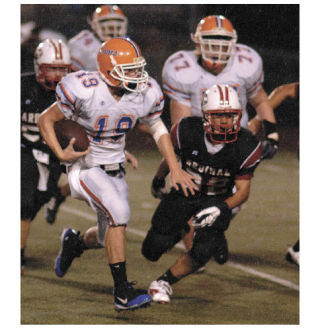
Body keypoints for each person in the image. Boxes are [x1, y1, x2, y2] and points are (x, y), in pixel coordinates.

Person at [37, 37, 198, 311]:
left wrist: (174, 167)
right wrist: (61, 154)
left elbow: (159, 129)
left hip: (115, 167)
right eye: (130, 69)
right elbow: (45, 119)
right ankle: (122, 293)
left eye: (138, 68)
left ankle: (74, 243)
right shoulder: (84, 88)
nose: (137, 75)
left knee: (105, 236)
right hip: (84, 168)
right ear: (108, 69)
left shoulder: (144, 92)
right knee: (119, 213)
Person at [161, 15, 280, 258]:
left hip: (236, 142)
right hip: (202, 140)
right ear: (197, 41)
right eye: (211, 41)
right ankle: (195, 246)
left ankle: (210, 231)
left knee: (237, 196)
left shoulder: (246, 63)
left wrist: (273, 133)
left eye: (222, 42)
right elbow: (181, 123)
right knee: (195, 192)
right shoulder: (182, 69)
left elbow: (259, 98)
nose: (216, 49)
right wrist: (187, 148)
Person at [141, 84, 262, 303]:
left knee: (204, 250)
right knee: (151, 250)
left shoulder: (246, 144)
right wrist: (159, 179)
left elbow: (243, 191)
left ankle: (163, 282)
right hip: (184, 193)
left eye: (230, 115)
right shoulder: (186, 129)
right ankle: (182, 229)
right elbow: (170, 159)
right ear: (206, 116)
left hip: (217, 199)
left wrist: (221, 208)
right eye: (219, 116)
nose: (225, 121)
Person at [21, 39, 72, 275]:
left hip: (50, 155)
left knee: (39, 199)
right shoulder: (21, 86)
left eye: (62, 69)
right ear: (40, 67)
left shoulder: (72, 92)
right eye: (52, 68)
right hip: (20, 149)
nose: (58, 74)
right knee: (23, 204)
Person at [68, 4, 128, 72]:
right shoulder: (80, 44)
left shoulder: (126, 44)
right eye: (106, 21)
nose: (112, 27)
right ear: (94, 24)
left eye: (117, 22)